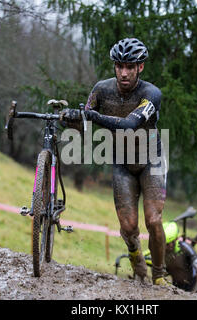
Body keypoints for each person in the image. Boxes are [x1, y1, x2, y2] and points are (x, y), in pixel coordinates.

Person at [61, 38, 168, 285]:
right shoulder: (101, 89)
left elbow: (131, 124)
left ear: (140, 67)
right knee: (129, 227)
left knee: (153, 220)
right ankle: (135, 258)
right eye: (119, 66)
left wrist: (93, 115)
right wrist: (70, 118)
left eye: (130, 67)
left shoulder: (151, 94)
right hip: (122, 162)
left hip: (151, 161)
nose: (124, 73)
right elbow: (85, 123)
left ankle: (160, 277)